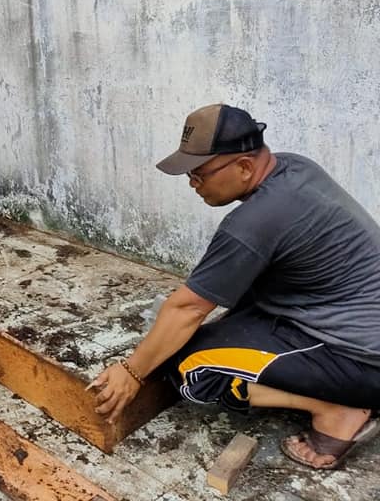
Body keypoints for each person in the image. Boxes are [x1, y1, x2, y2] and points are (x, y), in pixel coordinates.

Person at [88, 103, 380, 470]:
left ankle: (337, 411)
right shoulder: (295, 168)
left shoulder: (256, 221)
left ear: (243, 166)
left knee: (190, 367)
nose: (193, 184)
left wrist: (131, 372)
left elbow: (188, 308)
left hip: (361, 360)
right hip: (348, 323)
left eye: (199, 174)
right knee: (223, 318)